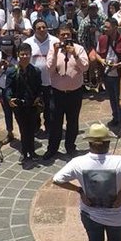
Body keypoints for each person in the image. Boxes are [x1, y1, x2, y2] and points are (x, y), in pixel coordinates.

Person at [52, 123, 121, 241]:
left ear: (89, 143)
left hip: (90, 214)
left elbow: (57, 179)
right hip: (116, 215)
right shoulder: (120, 162)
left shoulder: (78, 162)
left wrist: (79, 190)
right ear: (108, 143)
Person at [45, 23, 89, 157]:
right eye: (62, 35)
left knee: (73, 122)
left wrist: (74, 54)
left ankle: (70, 146)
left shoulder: (79, 49)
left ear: (71, 35)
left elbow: (85, 67)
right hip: (57, 93)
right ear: (58, 36)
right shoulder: (53, 49)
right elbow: (49, 68)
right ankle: (52, 149)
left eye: (67, 34)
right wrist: (55, 53)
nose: (65, 37)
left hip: (74, 93)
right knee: (55, 123)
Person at [5, 43, 44, 163]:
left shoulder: (36, 71)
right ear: (18, 55)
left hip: (32, 105)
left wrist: (38, 97)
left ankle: (32, 151)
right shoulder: (12, 71)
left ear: (30, 55)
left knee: (31, 129)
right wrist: (9, 99)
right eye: (22, 54)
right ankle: (24, 151)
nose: (25, 57)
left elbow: (39, 87)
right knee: (23, 129)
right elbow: (8, 88)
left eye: (27, 54)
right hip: (19, 105)